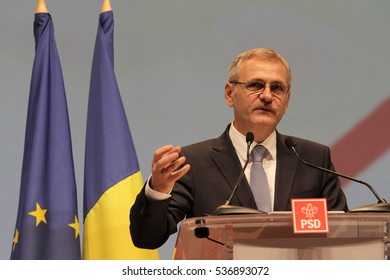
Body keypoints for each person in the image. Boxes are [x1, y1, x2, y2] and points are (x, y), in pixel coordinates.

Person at [130, 48, 348, 249]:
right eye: (255, 85)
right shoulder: (194, 162)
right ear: (229, 94)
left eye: (277, 88)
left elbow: (343, 238)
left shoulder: (313, 159)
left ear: (287, 100)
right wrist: (157, 190)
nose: (267, 96)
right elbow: (147, 238)